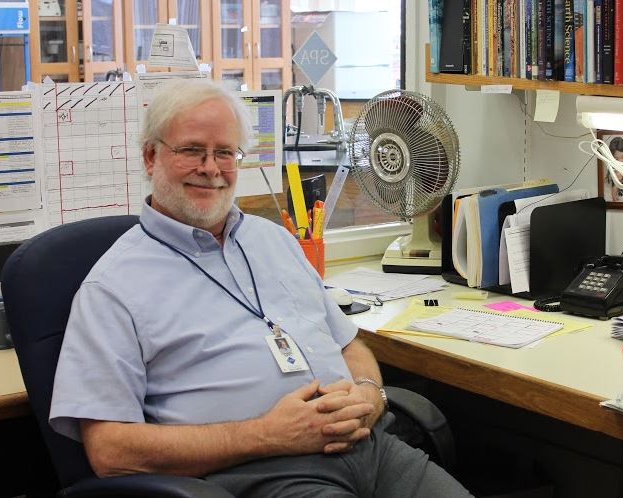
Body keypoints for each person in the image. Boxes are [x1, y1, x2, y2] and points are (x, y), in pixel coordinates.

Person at [49, 79, 472, 498]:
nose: (211, 168)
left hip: (374, 450)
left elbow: (349, 346)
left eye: (225, 153)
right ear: (150, 156)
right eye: (192, 150)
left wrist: (368, 397)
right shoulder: (112, 288)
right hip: (264, 474)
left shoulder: (274, 240)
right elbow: (109, 450)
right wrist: (266, 436)